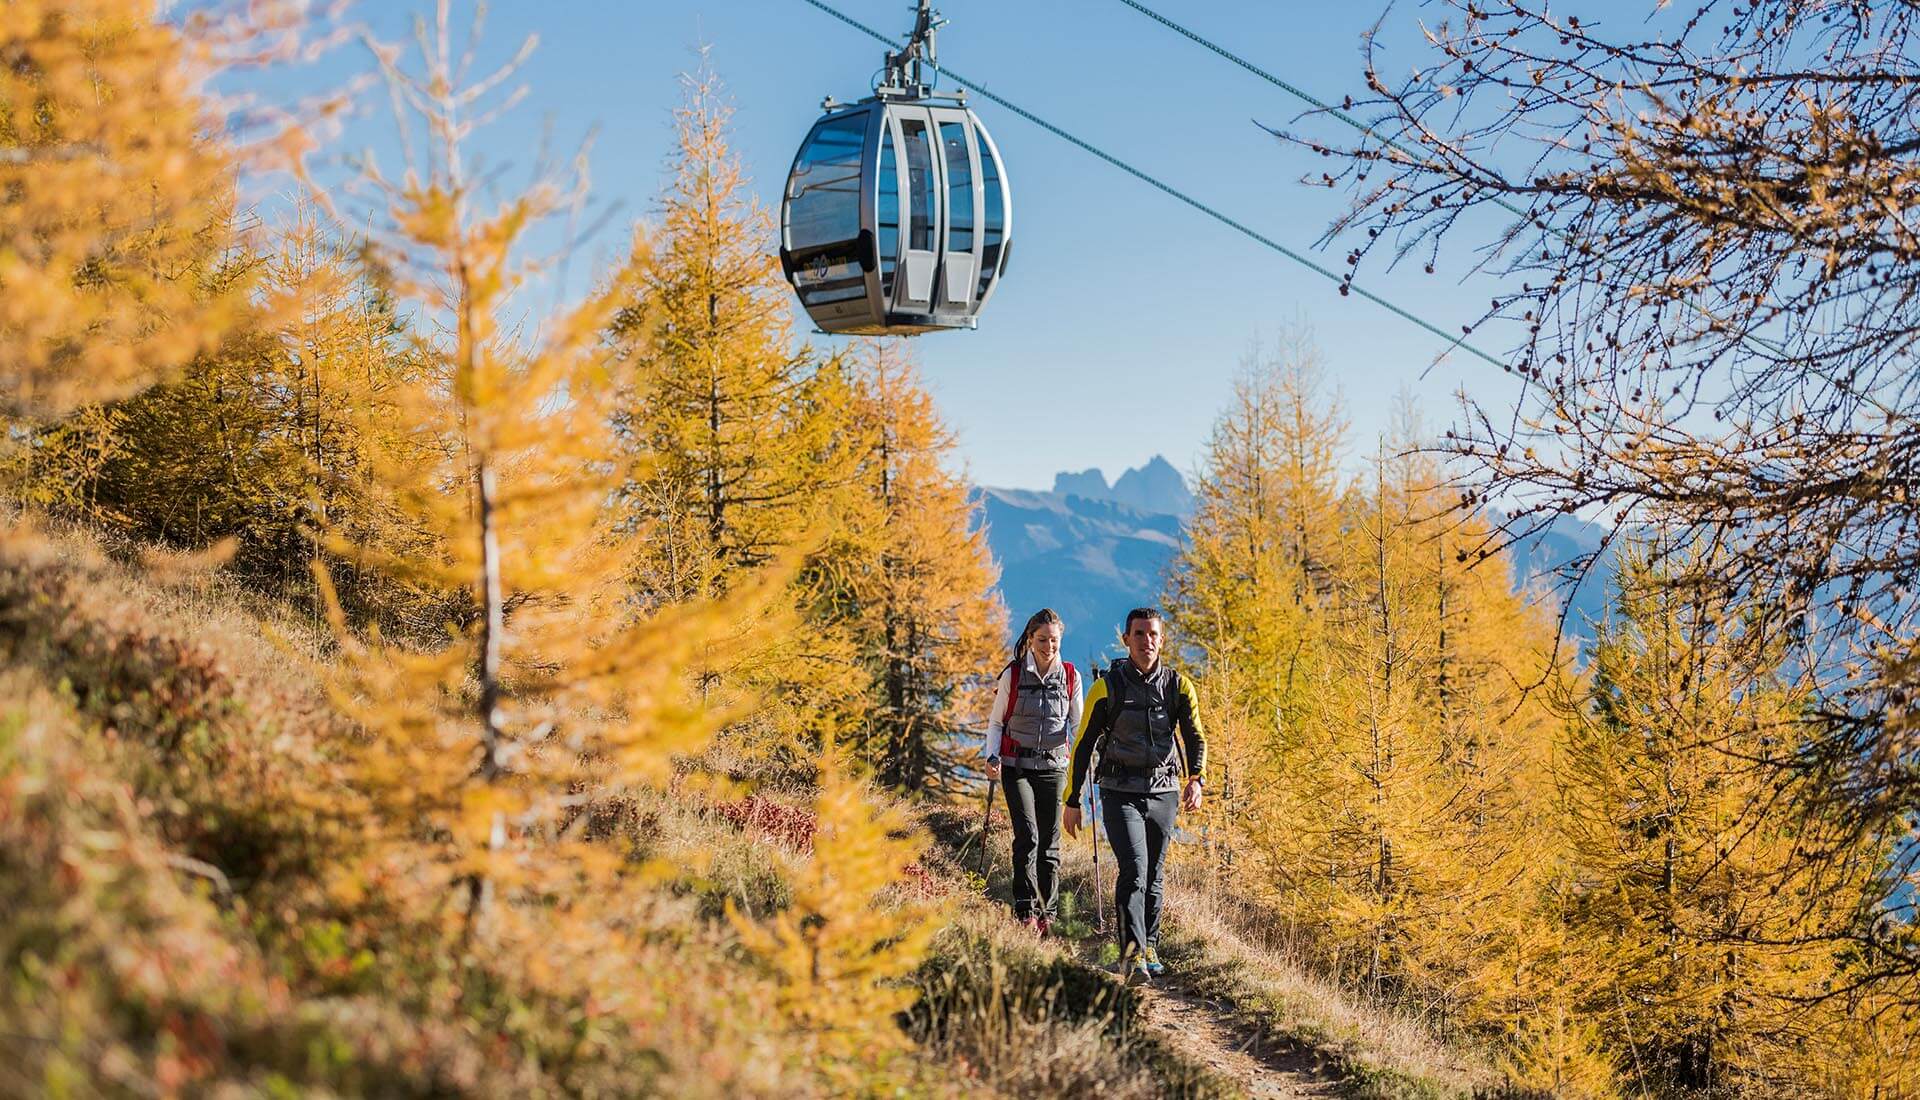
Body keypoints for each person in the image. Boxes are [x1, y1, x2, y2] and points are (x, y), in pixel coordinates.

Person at [1063, 607, 1206, 985]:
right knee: (1135, 870)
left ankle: (1151, 945)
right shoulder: (1107, 687)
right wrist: (1073, 800)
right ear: (1126, 640)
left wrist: (1197, 779)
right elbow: (1082, 745)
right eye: (1139, 634)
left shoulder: (1178, 686)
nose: (1147, 641)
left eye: (1154, 634)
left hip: (1164, 791)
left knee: (1155, 874)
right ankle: (1132, 956)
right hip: (1118, 792)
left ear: (1162, 639)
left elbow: (1195, 736)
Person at [982, 608, 1083, 936]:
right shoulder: (1012, 674)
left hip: (1054, 768)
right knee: (1028, 837)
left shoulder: (1070, 676)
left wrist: (1082, 763)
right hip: (1016, 767)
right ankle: (1024, 908)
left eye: (1054, 640)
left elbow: (1077, 725)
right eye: (1042, 640)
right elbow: (997, 722)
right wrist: (992, 756)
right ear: (1029, 639)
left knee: (1050, 842)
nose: (1048, 646)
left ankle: (1047, 912)